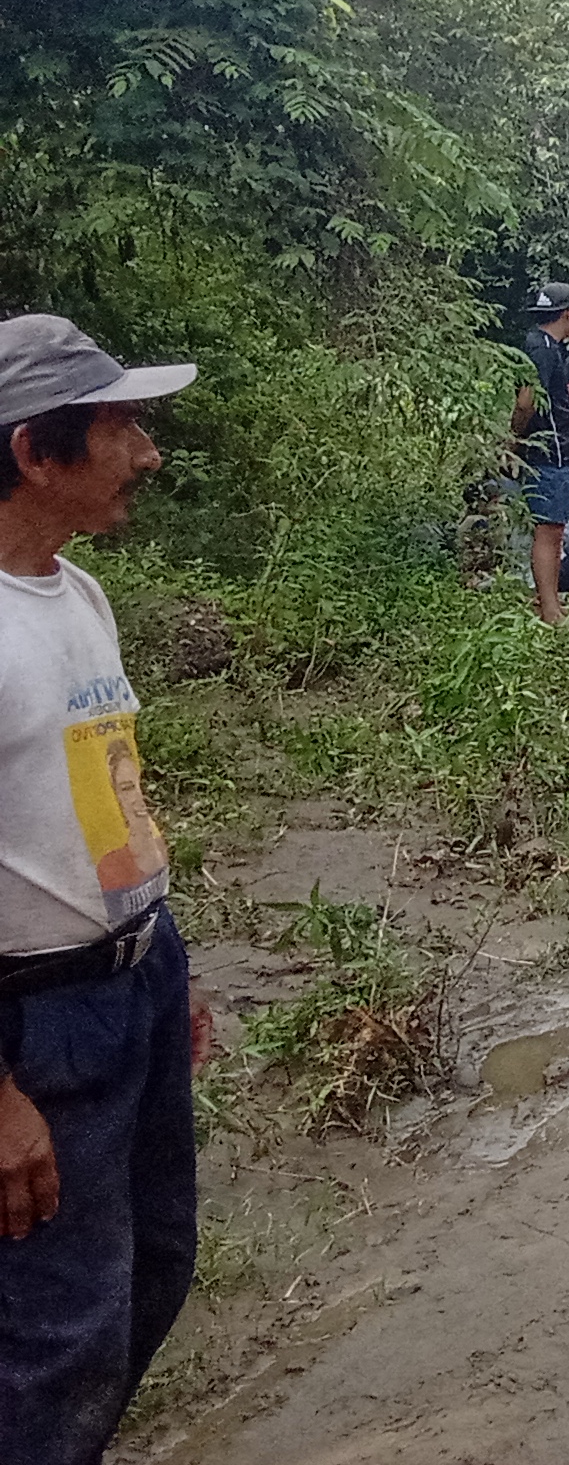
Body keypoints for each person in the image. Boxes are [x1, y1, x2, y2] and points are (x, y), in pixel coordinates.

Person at [0, 314, 215, 1463]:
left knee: (155, 1265)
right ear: (36, 453)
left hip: (131, 981)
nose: (148, 452)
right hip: (36, 1021)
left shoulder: (76, 592)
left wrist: (160, 953)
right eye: (122, 427)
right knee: (57, 1330)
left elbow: (109, 797)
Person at [512, 281, 569, 624]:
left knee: (554, 528)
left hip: (559, 449)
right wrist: (514, 439)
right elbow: (527, 400)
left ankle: (550, 600)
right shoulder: (541, 349)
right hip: (549, 452)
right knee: (549, 530)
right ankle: (549, 607)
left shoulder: (547, 346)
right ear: (568, 314)